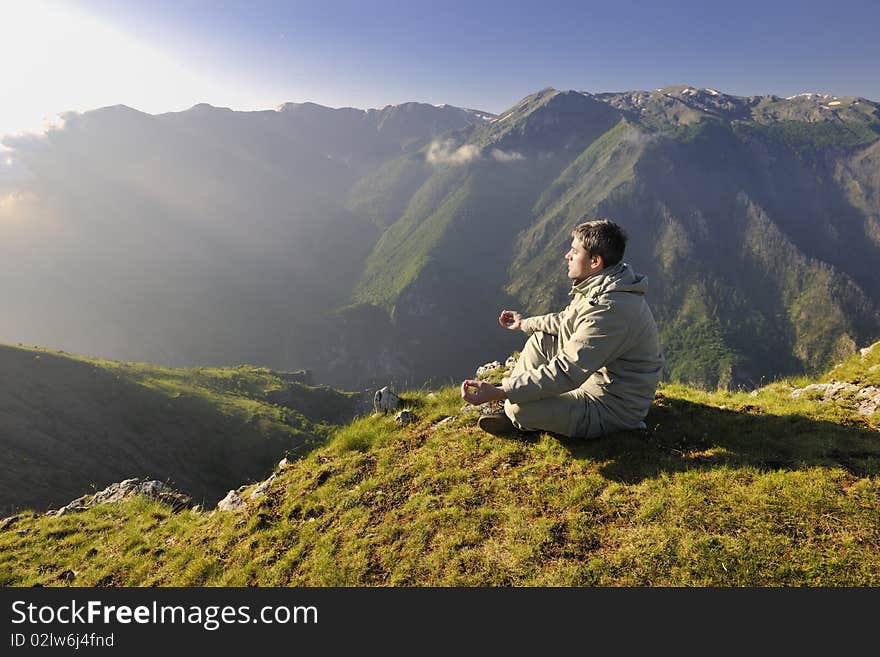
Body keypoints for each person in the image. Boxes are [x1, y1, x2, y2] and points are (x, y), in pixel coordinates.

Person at [460, 218, 663, 438]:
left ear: (595, 261)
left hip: (610, 407)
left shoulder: (609, 309)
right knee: (541, 341)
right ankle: (517, 407)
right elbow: (566, 320)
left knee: (519, 409)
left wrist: (502, 391)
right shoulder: (604, 284)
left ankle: (515, 411)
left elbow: (567, 371)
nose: (567, 256)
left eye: (574, 252)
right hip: (594, 381)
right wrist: (524, 324)